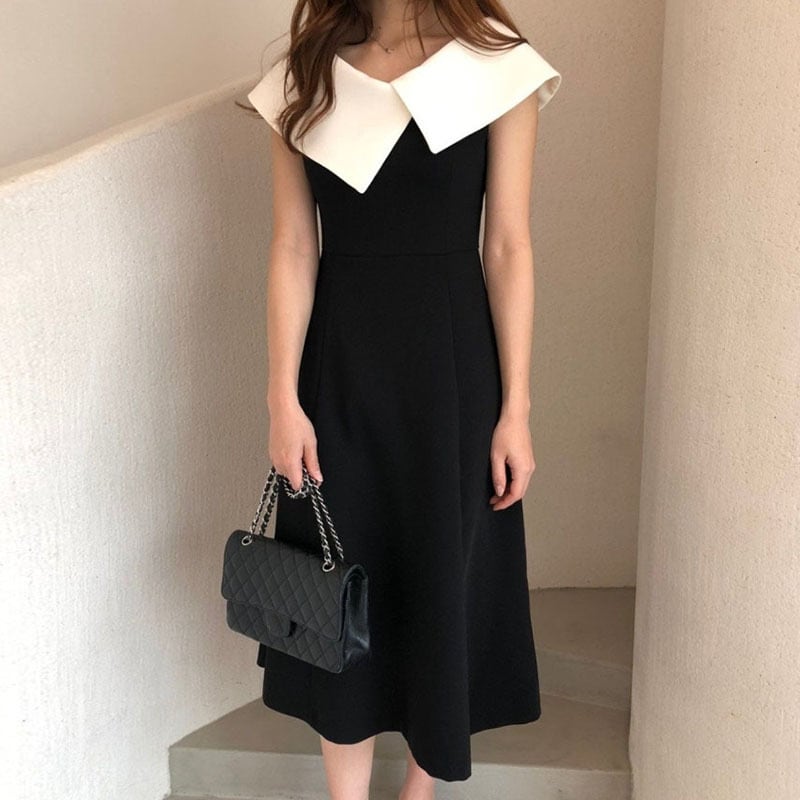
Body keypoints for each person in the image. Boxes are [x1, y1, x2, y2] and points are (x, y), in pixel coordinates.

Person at [246, 1, 562, 797]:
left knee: (441, 573)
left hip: (452, 374)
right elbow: (293, 245)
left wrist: (516, 409)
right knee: (334, 579)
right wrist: (282, 398)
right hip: (340, 369)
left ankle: (419, 792)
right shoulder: (305, 74)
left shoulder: (497, 66)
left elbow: (508, 244)